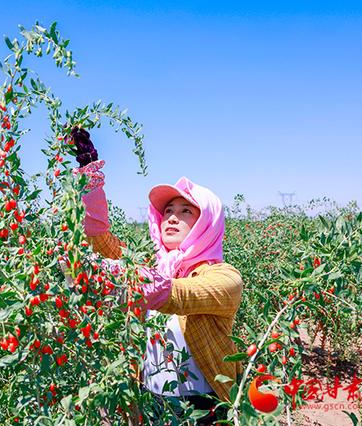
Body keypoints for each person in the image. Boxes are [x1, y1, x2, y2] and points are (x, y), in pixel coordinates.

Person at [69, 127, 244, 425]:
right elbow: (100, 240)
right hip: (150, 399)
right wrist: (89, 179)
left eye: (186, 211)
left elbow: (175, 294)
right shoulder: (152, 266)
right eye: (168, 211)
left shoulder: (225, 278)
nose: (172, 217)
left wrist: (107, 275)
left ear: (207, 223)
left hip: (203, 408)